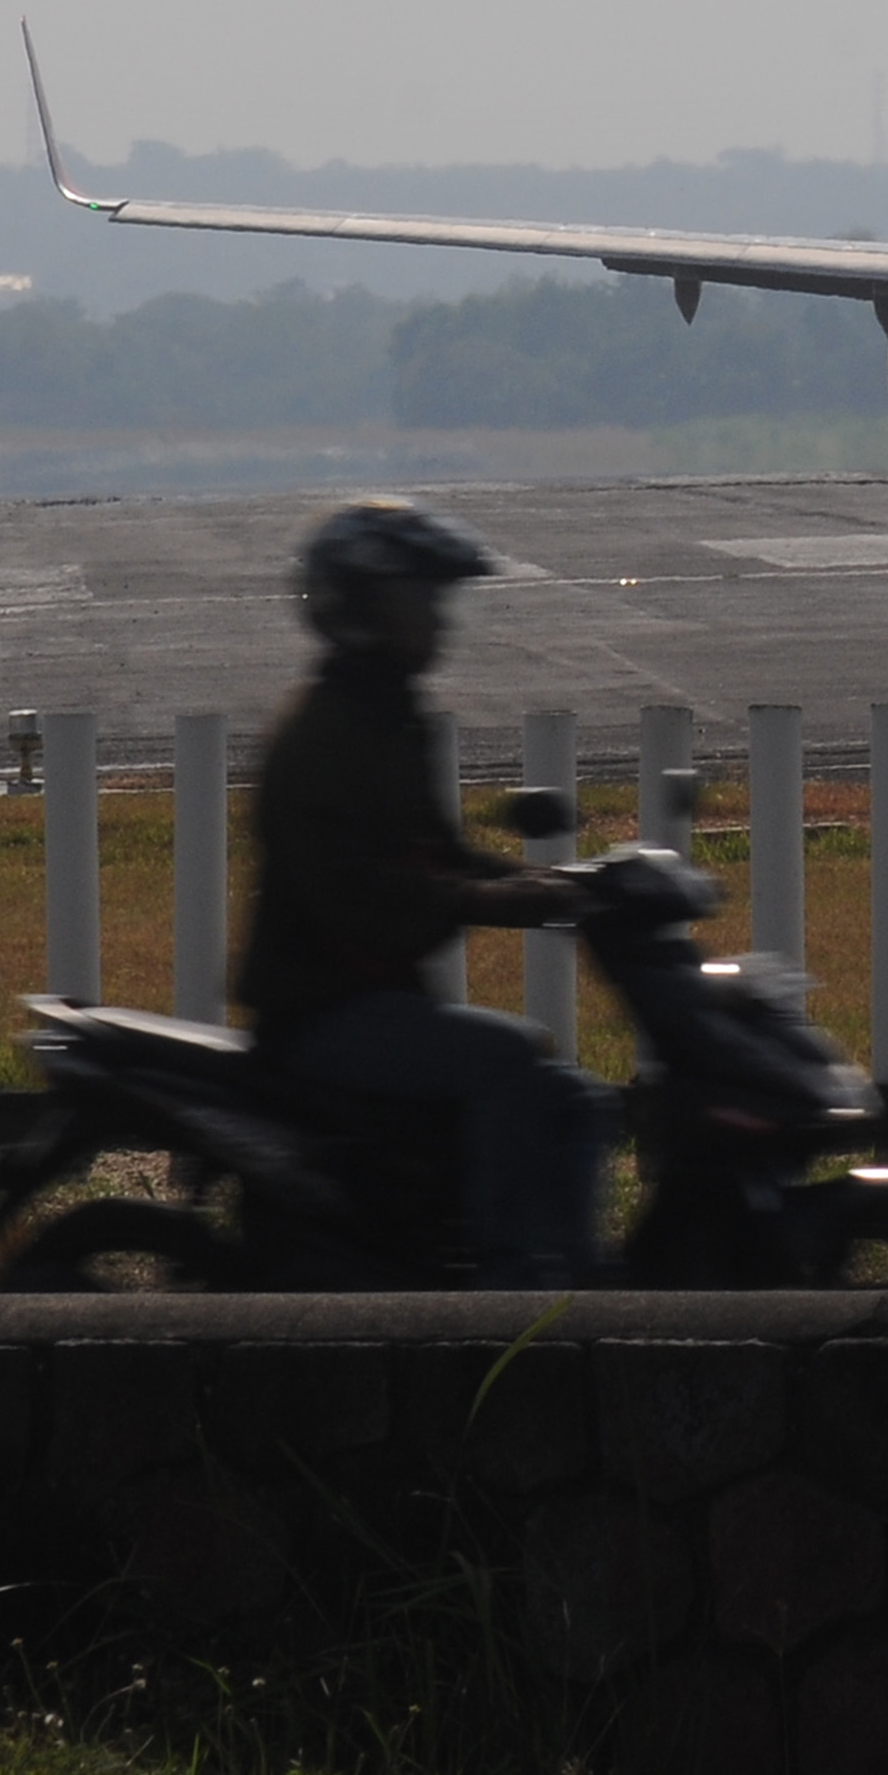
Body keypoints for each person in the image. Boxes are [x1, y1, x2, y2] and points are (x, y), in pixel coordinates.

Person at [240, 498, 611, 1285]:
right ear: (363, 605)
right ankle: (508, 1287)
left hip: (378, 996)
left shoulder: (385, 716)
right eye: (419, 599)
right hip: (322, 1010)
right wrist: (489, 901)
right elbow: (360, 891)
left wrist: (558, 881)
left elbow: (438, 853)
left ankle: (574, 1274)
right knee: (510, 1059)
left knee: (576, 1101)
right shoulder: (323, 732)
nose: (438, 620)